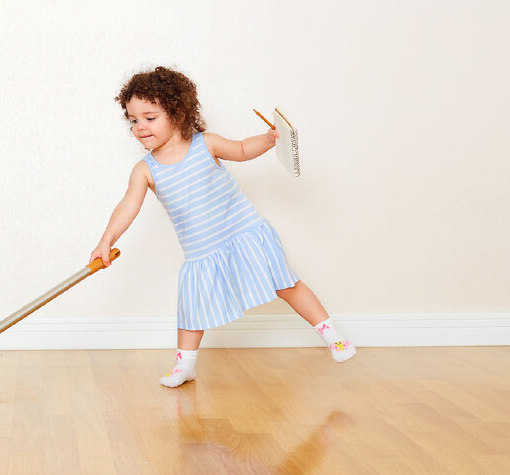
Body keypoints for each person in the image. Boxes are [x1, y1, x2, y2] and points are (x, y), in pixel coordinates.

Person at [90, 66, 355, 387]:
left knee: (286, 284)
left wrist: (269, 139)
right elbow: (128, 206)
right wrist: (107, 240)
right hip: (202, 250)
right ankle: (185, 365)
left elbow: (242, 150)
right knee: (192, 308)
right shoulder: (145, 170)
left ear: (178, 112)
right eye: (133, 120)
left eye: (149, 117)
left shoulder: (206, 144)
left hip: (243, 233)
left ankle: (333, 336)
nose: (140, 127)